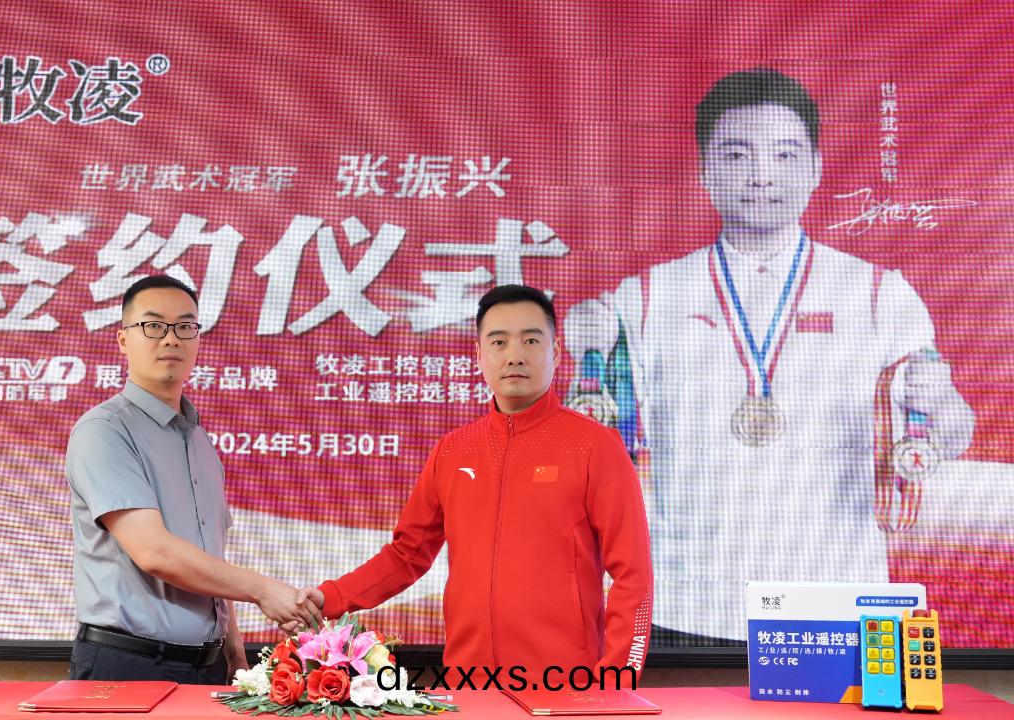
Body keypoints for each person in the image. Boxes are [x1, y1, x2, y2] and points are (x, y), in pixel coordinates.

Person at [564, 68, 975, 644]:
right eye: (737, 155)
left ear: (816, 169)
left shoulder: (879, 293)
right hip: (688, 602)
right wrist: (578, 354)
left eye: (784, 154)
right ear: (704, 170)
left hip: (835, 600)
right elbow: (588, 432)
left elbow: (952, 432)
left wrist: (941, 409)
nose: (762, 174)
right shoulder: (645, 297)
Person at [301, 285, 654, 679]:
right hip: (469, 683)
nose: (514, 355)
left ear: (556, 352)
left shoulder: (595, 446)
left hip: (567, 685)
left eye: (531, 340)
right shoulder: (453, 451)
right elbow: (405, 556)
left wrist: (618, 677)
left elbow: (633, 573)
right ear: (479, 354)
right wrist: (330, 597)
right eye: (499, 342)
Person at [66, 275, 319, 682]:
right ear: (123, 340)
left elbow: (209, 559)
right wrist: (263, 590)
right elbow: (154, 552)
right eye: (153, 325)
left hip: (208, 665)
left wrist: (235, 654)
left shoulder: (199, 441)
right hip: (128, 664)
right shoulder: (104, 431)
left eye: (185, 326)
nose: (171, 339)